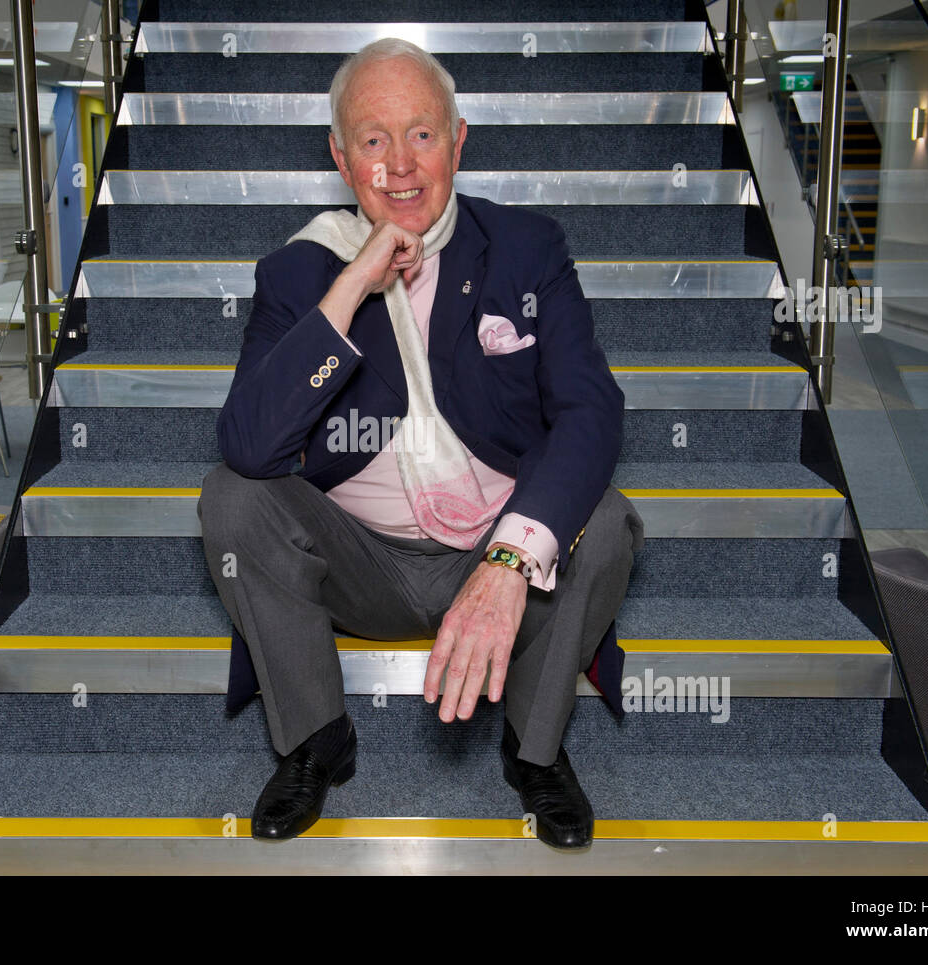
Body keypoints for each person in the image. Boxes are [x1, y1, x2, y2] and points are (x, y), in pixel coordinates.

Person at [198, 38, 644, 850]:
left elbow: (591, 410)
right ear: (340, 155)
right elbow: (250, 445)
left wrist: (509, 560)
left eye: (422, 134)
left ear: (459, 138)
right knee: (231, 497)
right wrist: (350, 286)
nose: (399, 164)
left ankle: (534, 748)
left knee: (607, 520)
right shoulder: (298, 272)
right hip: (360, 560)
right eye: (373, 139)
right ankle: (316, 739)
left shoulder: (527, 248)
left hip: (494, 548)